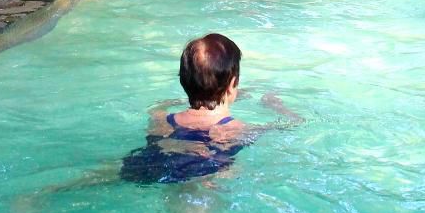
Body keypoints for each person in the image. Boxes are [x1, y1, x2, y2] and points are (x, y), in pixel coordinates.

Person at [118, 33, 298, 185]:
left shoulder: (161, 119)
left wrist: (174, 101)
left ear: (183, 81)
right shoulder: (236, 130)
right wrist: (276, 106)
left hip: (147, 165)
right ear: (233, 84)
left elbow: (157, 107)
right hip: (202, 175)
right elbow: (294, 124)